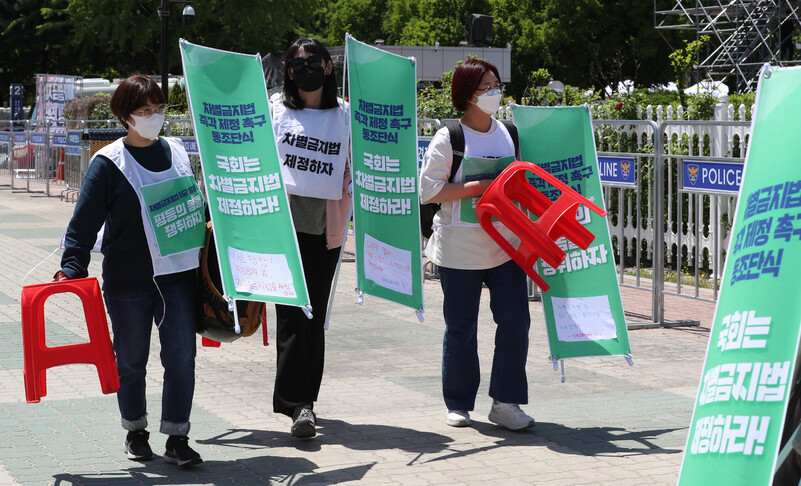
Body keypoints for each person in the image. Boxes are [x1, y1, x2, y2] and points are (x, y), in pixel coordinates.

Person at [55, 74, 204, 466]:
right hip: (128, 280)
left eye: (159, 109)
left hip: (176, 277)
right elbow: (84, 221)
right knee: (131, 359)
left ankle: (177, 437)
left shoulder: (176, 152)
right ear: (125, 116)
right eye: (145, 111)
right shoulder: (107, 164)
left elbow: (195, 206)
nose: (154, 117)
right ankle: (135, 431)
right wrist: (72, 266)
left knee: (181, 357)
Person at [419, 59, 536, 430]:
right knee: (461, 326)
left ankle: (506, 402)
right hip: (459, 249)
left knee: (516, 321)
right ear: (468, 94)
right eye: (487, 87)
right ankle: (458, 401)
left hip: (506, 246)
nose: (495, 93)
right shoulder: (449, 137)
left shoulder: (510, 133)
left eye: (497, 85)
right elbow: (429, 191)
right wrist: (480, 187)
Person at [269, 37, 351, 438]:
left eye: (313, 61)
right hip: (284, 229)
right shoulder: (274, 110)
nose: (306, 68)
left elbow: (353, 168)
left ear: (329, 67)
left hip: (325, 231)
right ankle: (293, 402)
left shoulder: (346, 117)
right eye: (297, 64)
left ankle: (305, 402)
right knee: (290, 315)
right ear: (288, 72)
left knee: (313, 316)